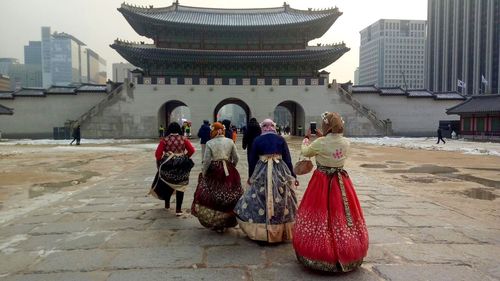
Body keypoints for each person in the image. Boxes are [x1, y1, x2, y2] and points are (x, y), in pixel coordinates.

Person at [293, 112, 368, 272]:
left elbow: (306, 152)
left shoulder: (320, 142)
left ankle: (319, 253)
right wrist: (324, 138)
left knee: (319, 213)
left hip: (322, 180)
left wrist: (307, 139)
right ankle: (349, 251)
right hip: (341, 180)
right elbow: (334, 148)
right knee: (343, 213)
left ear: (326, 126)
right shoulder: (346, 142)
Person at [234, 119, 298, 243]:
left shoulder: (257, 140)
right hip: (279, 171)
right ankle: (280, 231)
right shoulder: (281, 139)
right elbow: (288, 160)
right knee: (281, 197)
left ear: (262, 127)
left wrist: (251, 177)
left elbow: (252, 161)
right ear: (274, 127)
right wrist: (293, 176)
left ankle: (261, 232)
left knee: (258, 197)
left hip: (261, 170)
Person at [191, 122, 243, 232]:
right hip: (229, 169)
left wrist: (204, 173)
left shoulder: (210, 143)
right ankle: (228, 220)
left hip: (214, 171)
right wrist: (232, 166)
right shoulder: (230, 141)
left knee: (213, 196)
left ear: (213, 131)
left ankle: (216, 222)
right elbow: (236, 157)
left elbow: (206, 161)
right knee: (230, 195)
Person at [150, 122, 195, 216]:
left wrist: (161, 161)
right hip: (181, 165)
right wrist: (184, 157)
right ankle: (178, 210)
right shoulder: (184, 139)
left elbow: (158, 154)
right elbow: (191, 150)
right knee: (180, 186)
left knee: (168, 184)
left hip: (168, 165)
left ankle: (167, 205)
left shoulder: (164, 140)